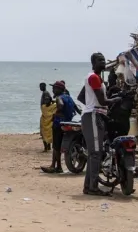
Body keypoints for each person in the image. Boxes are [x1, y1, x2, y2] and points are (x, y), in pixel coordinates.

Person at [77, 52, 121, 197]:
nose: (102, 62)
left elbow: (82, 97)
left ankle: (89, 187)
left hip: (94, 114)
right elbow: (102, 101)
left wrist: (93, 105)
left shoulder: (96, 79)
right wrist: (115, 100)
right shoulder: (94, 77)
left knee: (94, 154)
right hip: (94, 116)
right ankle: (93, 187)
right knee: (96, 153)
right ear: (93, 63)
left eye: (103, 60)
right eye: (99, 60)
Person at [41, 81, 80, 174]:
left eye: (54, 88)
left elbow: (61, 105)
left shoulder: (59, 98)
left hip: (58, 124)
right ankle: (54, 165)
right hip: (67, 123)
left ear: (59, 89)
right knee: (57, 146)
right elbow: (77, 109)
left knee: (56, 146)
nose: (53, 90)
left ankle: (57, 166)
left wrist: (56, 113)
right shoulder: (69, 97)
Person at [39, 82, 54, 152]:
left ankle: (46, 147)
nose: (40, 88)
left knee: (44, 131)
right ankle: (48, 147)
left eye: (41, 86)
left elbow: (49, 100)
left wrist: (46, 107)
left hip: (46, 114)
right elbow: (50, 99)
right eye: (40, 86)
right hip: (45, 113)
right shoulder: (45, 93)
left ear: (44, 86)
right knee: (46, 131)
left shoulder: (45, 93)